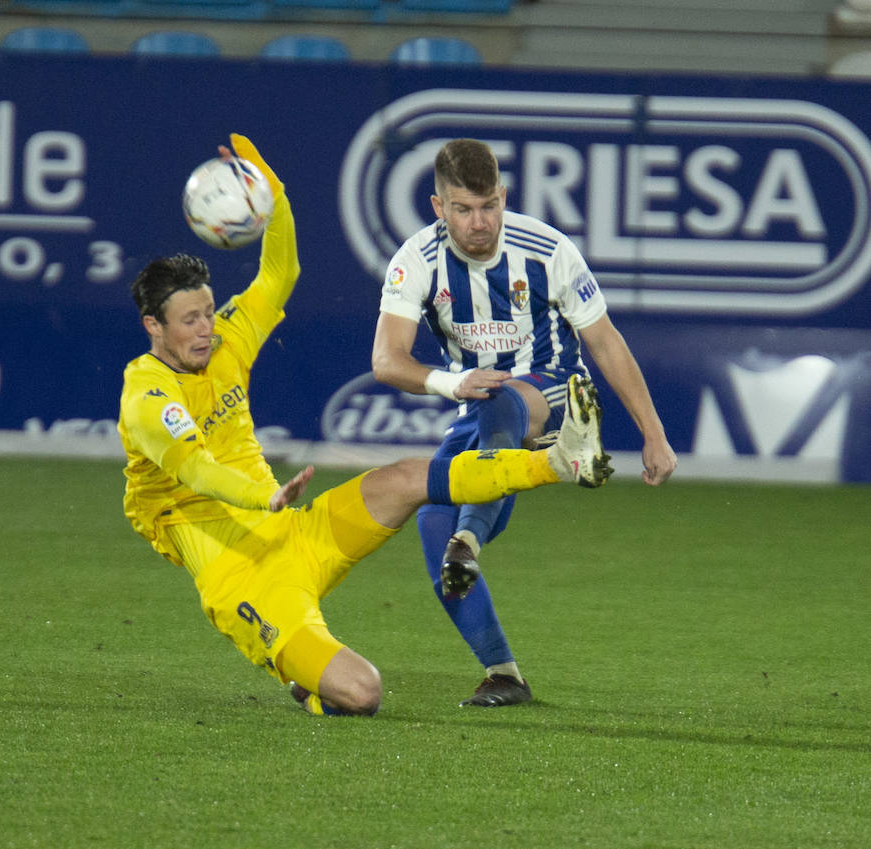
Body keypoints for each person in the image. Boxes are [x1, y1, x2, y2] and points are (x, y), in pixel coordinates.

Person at [118, 134, 612, 717]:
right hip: (242, 579)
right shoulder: (147, 397)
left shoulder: (224, 338)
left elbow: (281, 272)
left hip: (299, 534)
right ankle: (302, 677)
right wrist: (265, 495)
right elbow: (195, 468)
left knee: (410, 478)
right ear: (154, 326)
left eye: (208, 312)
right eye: (190, 321)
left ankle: (557, 462)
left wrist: (272, 195)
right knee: (362, 692)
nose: (207, 329)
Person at [371, 138, 677, 708]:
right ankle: (503, 672)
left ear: (503, 197)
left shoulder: (547, 249)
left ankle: (478, 529)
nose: (479, 222)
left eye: (489, 205)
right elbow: (387, 360)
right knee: (432, 525)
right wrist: (449, 382)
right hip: (477, 401)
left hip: (557, 391)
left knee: (501, 406)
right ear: (439, 208)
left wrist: (653, 434)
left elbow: (605, 343)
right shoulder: (416, 261)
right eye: (462, 209)